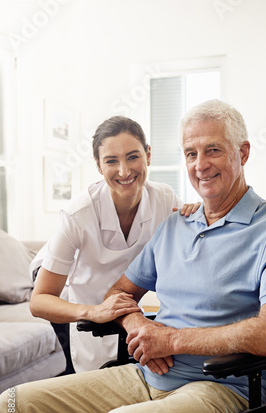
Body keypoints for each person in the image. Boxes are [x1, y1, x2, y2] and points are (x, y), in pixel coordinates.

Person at [0, 99, 266, 413]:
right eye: (191, 153)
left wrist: (172, 340)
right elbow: (119, 293)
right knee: (14, 407)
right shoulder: (176, 225)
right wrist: (140, 325)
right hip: (146, 373)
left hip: (221, 389)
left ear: (242, 152)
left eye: (213, 150)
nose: (200, 165)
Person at [29, 116, 199, 373]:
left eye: (133, 157)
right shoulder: (79, 213)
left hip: (121, 294)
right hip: (67, 295)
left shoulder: (164, 199)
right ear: (98, 165)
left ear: (148, 155)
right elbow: (39, 301)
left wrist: (197, 216)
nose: (124, 170)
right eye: (111, 160)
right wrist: (92, 311)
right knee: (87, 377)